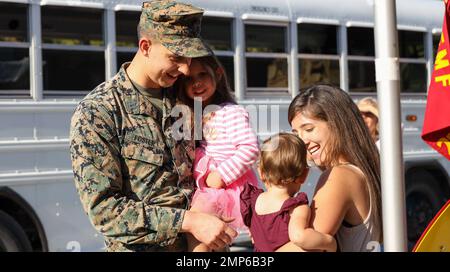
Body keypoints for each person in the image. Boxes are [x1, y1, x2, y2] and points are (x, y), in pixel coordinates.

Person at [69, 0, 237, 252]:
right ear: (145, 46)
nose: (184, 68)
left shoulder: (187, 98)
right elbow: (104, 211)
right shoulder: (99, 111)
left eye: (189, 58)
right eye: (176, 57)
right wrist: (189, 221)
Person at [280, 84, 382, 252]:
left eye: (309, 129)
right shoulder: (361, 169)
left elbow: (305, 247)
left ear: (338, 124)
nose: (302, 140)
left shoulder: (340, 176)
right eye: (296, 134)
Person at [176, 55, 260, 251]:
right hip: (210, 186)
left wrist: (221, 176)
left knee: (197, 236)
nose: (196, 83)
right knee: (212, 241)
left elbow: (250, 148)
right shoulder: (198, 113)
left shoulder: (231, 112)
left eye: (203, 74)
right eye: (188, 79)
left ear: (218, 74)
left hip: (223, 189)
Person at [240, 133, 337, 252]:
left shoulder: (252, 201)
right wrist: (329, 242)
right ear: (304, 175)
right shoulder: (296, 208)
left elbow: (253, 236)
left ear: (260, 172)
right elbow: (299, 237)